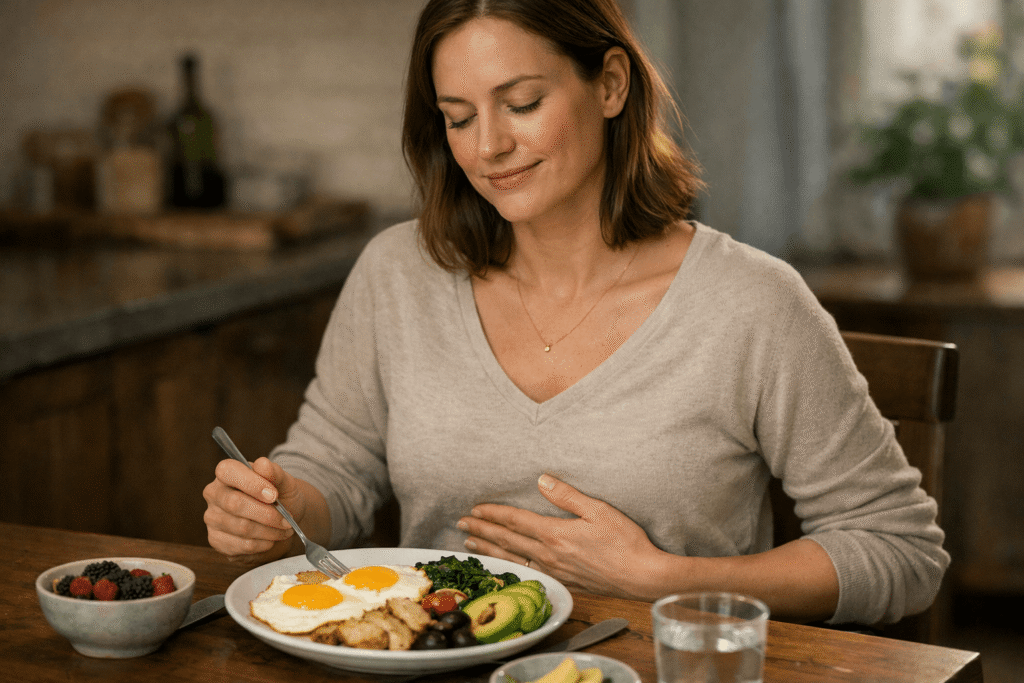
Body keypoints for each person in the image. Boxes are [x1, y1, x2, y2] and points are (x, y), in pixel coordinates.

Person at [203, 0, 949, 627]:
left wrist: (663, 576)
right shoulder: (398, 273)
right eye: (458, 118)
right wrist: (282, 504)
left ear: (611, 84)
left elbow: (901, 549)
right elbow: (333, 466)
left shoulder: (752, 303)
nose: (490, 145)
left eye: (522, 103)